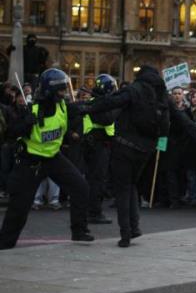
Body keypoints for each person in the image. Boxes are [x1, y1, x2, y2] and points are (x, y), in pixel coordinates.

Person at [0, 68, 94, 249]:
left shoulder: (62, 107)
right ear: (50, 90)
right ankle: (4, 243)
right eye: (61, 90)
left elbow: (87, 108)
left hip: (53, 158)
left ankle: (79, 231)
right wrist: (24, 123)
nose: (64, 93)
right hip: (30, 162)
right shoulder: (31, 110)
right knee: (19, 208)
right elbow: (10, 133)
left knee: (80, 187)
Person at [79, 65, 170, 247]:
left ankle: (126, 233)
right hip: (145, 150)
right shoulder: (160, 96)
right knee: (131, 187)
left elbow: (110, 108)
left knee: (122, 189)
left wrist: (83, 107)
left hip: (124, 147)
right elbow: (171, 124)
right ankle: (134, 227)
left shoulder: (133, 92)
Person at [82, 74, 118, 224]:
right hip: (96, 145)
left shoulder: (97, 102)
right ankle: (94, 212)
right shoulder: (97, 104)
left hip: (99, 145)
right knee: (97, 180)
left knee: (96, 179)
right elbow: (107, 119)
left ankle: (92, 210)